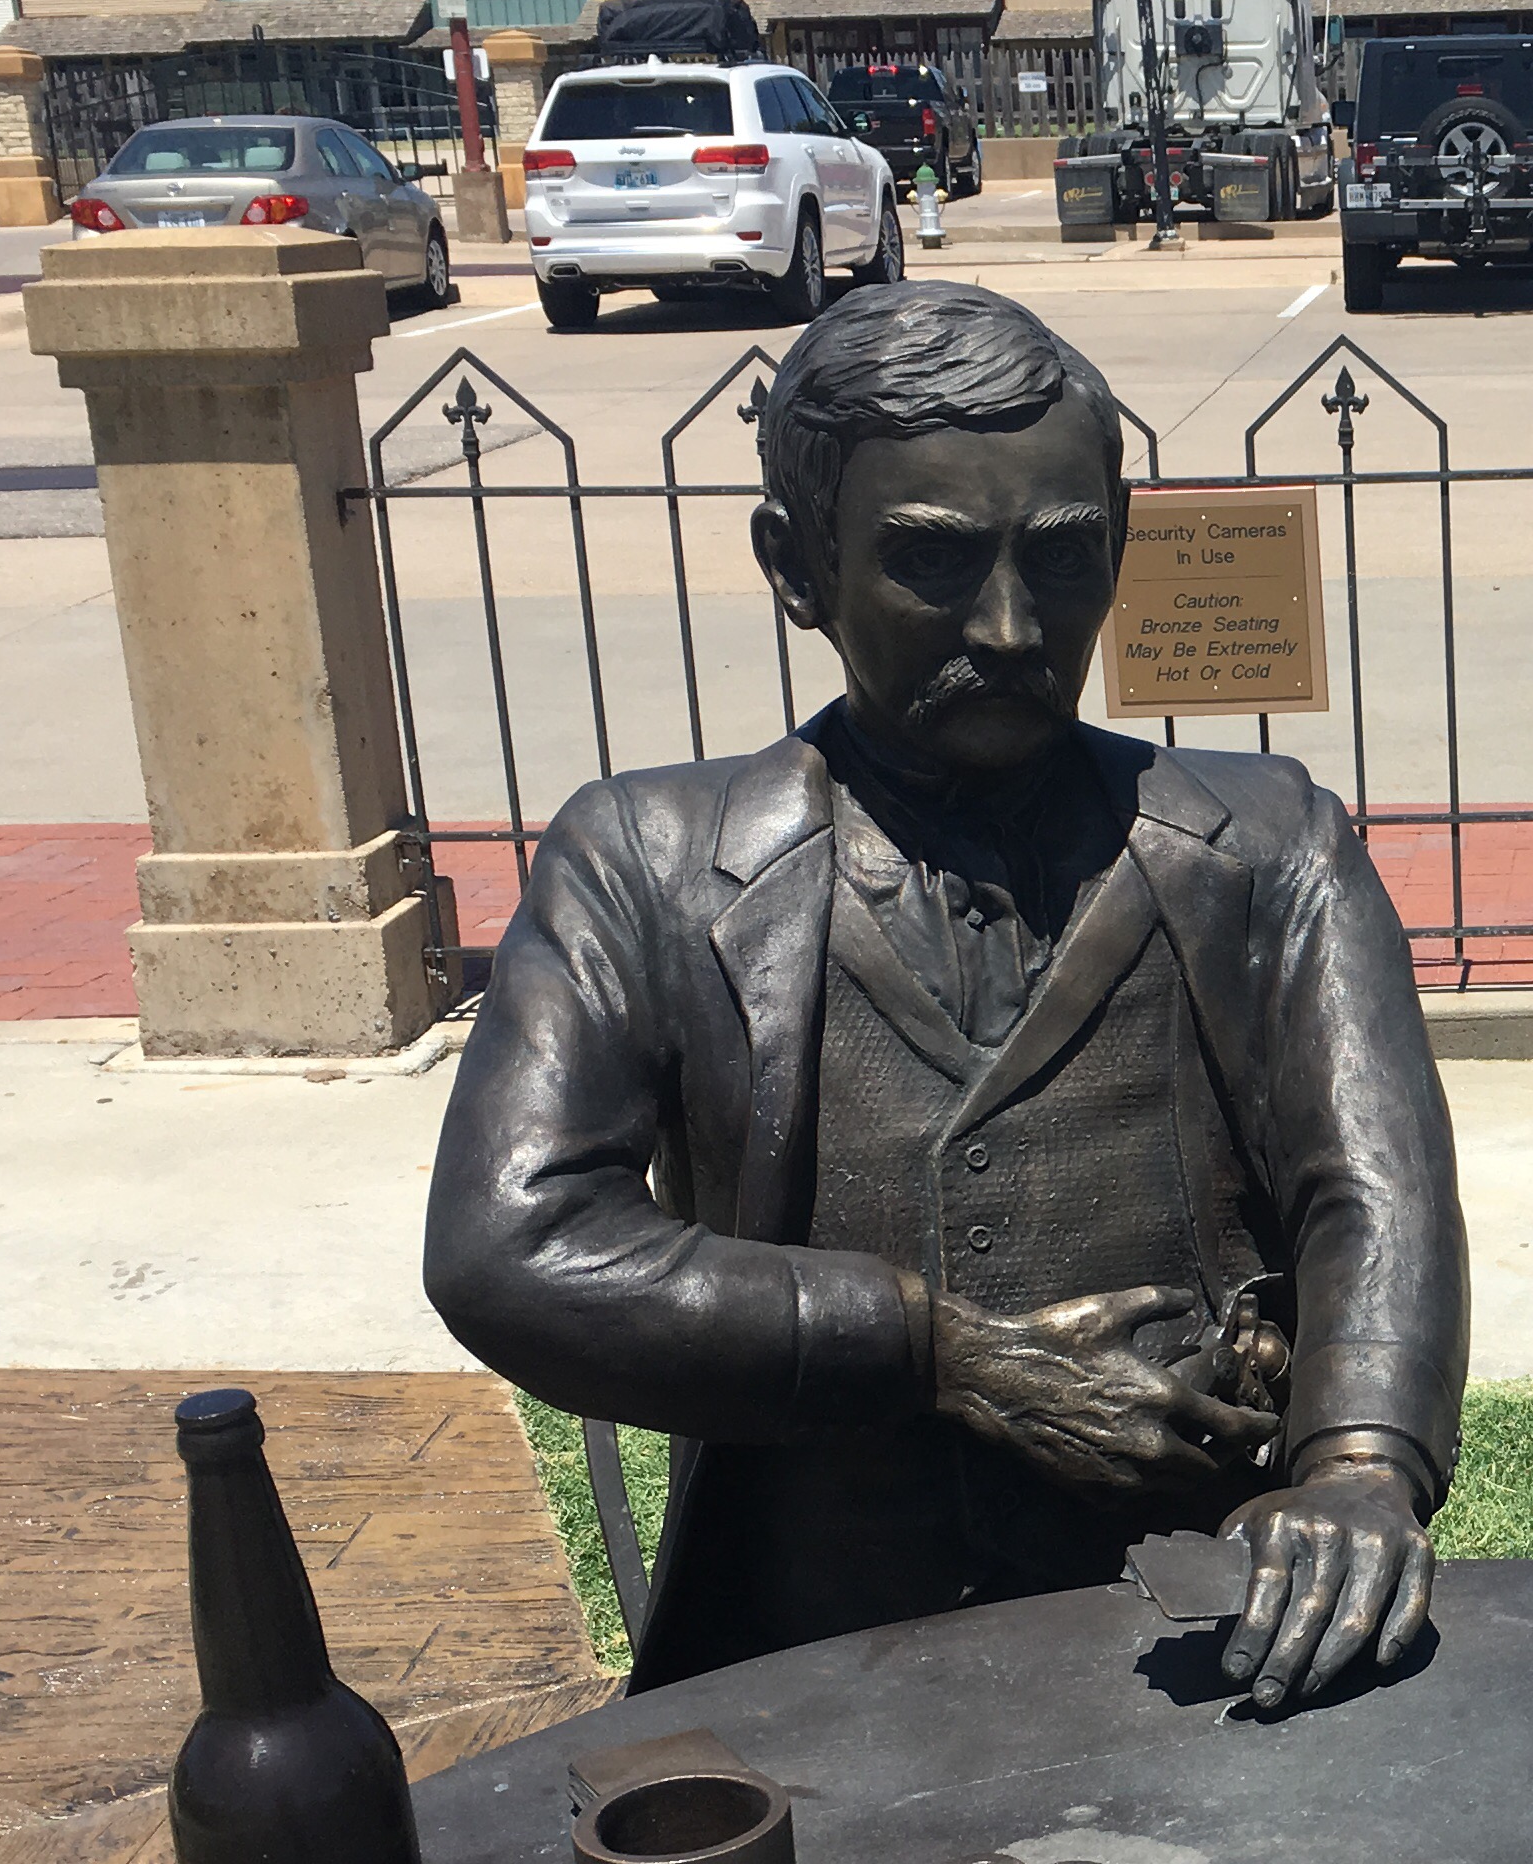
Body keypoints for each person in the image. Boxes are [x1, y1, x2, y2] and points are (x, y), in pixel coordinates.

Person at [425, 282, 1467, 1708]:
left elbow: (1377, 1189)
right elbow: (514, 1242)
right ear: (797, 567)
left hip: (1212, 1643)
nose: (1013, 625)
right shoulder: (646, 865)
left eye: (1064, 556)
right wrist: (936, 1349)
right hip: (808, 1654)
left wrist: (1356, 1465)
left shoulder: (1273, 848)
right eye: (932, 560)